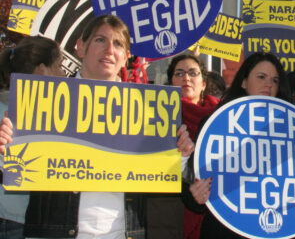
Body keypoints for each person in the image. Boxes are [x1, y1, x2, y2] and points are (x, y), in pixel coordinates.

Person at [0, 14, 195, 238]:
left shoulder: (151, 112)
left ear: (127, 57)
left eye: (118, 44)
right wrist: (7, 150)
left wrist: (181, 155)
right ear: (81, 47)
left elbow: (171, 176)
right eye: (100, 40)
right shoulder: (44, 101)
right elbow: (17, 170)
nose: (110, 50)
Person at [185, 52, 295, 239]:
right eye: (261, 77)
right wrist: (195, 195)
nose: (269, 84)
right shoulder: (217, 126)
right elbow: (192, 190)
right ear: (244, 82)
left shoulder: (294, 131)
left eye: (275, 80)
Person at [0, 36, 64, 238]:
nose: (63, 74)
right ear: (42, 70)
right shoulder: (44, 118)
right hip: (16, 219)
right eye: (59, 66)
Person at [165, 53, 219, 239]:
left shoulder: (223, 116)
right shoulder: (159, 116)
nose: (186, 78)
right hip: (169, 209)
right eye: (179, 73)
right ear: (171, 82)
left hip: (219, 211)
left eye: (192, 73)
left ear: (203, 83)